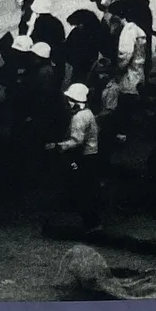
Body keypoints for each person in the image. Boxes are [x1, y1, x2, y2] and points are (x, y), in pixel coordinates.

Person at [47, 83, 101, 230]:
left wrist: (58, 146)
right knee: (88, 189)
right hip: (93, 154)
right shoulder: (88, 113)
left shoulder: (79, 117)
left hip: (85, 156)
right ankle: (92, 222)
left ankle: (91, 224)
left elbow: (77, 141)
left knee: (83, 191)